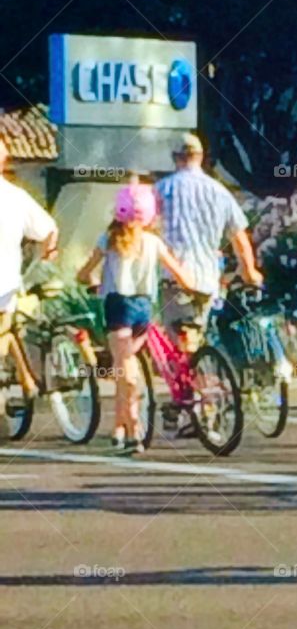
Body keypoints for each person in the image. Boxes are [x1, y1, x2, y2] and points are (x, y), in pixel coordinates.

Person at [78, 183, 193, 454]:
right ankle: (119, 428)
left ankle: (133, 431)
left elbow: (84, 273)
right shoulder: (153, 242)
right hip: (144, 308)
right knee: (126, 367)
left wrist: (91, 281)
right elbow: (181, 275)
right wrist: (192, 288)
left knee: (124, 370)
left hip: (117, 306)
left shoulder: (108, 240)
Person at [155, 133, 262, 336]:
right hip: (208, 280)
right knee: (203, 340)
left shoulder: (161, 189)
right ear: (201, 157)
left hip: (175, 280)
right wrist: (249, 272)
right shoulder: (219, 191)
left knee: (179, 346)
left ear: (175, 157)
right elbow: (239, 237)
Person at [0, 137, 58, 404]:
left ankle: (25, 379)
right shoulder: (16, 196)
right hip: (7, 284)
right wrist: (45, 255)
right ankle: (25, 378)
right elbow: (49, 230)